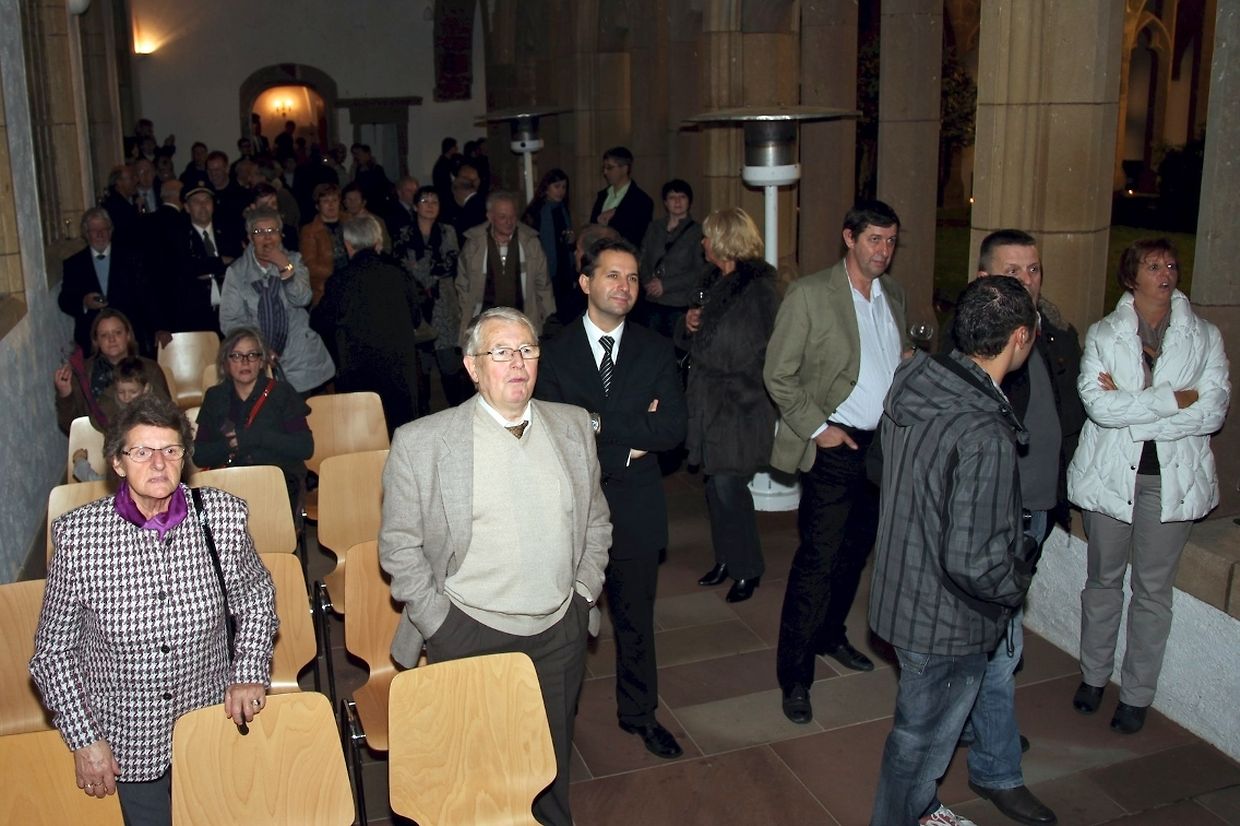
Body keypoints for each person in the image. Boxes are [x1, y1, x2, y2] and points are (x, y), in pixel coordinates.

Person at [379, 307, 611, 826]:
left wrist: (583, 593)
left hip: (559, 629)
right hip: (468, 629)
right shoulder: (423, 442)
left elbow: (596, 521)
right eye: (501, 352)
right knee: (476, 776)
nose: (517, 364)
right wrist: (439, 623)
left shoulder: (573, 426)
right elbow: (398, 547)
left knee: (549, 768)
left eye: (527, 350)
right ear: (472, 366)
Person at [30, 395, 278, 826]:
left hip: (207, 719)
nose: (159, 463)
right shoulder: (79, 537)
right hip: (124, 737)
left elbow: (256, 597)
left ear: (185, 457)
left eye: (171, 450)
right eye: (142, 452)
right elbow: (53, 654)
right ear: (118, 462)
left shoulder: (222, 517)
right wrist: (84, 737)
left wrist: (249, 670)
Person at [869, 275, 1042, 826]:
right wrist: (1016, 580)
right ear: (1020, 337)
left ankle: (922, 807)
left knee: (918, 733)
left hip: (901, 586)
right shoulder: (984, 432)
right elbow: (974, 560)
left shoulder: (915, 377)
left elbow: (885, 472)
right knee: (919, 742)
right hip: (946, 618)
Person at [1067, 238, 1230, 734]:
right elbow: (1099, 407)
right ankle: (1094, 675)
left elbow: (1212, 412)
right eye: (1154, 265)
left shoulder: (1205, 337)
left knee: (1153, 591)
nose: (1166, 273)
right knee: (1103, 580)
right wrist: (1174, 399)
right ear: (1131, 276)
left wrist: (1134, 406)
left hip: (1171, 481)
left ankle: (1137, 694)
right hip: (1111, 477)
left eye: (1172, 265)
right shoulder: (1103, 334)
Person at [536, 238, 688, 760]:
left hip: (635, 508)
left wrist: (595, 423)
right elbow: (552, 431)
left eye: (632, 278)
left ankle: (639, 713)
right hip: (570, 509)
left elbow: (671, 429)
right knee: (560, 625)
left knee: (635, 620)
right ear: (585, 282)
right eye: (612, 275)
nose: (625, 286)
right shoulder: (553, 351)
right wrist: (629, 438)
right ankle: (549, 720)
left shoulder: (656, 348)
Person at [764, 199, 908, 724]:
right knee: (818, 560)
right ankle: (795, 675)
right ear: (849, 238)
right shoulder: (810, 295)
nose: (883, 251)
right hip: (834, 446)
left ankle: (830, 635)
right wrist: (819, 429)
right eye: (874, 239)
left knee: (855, 554)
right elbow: (778, 374)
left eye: (890, 241)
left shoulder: (893, 295)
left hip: (882, 449)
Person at [955, 229, 1081, 826]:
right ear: (984, 278)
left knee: (995, 642)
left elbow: (1068, 414)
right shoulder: (978, 344)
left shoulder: (1053, 333)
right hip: (998, 514)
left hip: (1039, 505)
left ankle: (979, 723)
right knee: (1002, 649)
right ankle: (996, 770)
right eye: (1014, 270)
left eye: (1034, 269)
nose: (1027, 280)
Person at [676, 207, 779, 603]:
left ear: (723, 241)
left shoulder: (759, 289)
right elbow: (693, 338)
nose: (702, 242)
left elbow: (761, 349)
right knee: (714, 486)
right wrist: (688, 325)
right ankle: (725, 558)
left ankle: (748, 568)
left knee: (729, 486)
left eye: (707, 236)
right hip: (709, 402)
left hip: (740, 404)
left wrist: (710, 350)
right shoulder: (712, 280)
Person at [314, 214, 423, 431]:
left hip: (358, 375)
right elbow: (417, 318)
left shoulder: (340, 281)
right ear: (377, 241)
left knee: (365, 440)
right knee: (400, 436)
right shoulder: (398, 275)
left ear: (347, 244)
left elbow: (319, 321)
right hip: (399, 373)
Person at [194, 327, 314, 521]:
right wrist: (230, 445)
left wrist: (255, 437)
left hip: (278, 481)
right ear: (226, 362)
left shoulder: (282, 393)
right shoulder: (215, 397)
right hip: (230, 482)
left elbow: (305, 447)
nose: (245, 362)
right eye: (236, 356)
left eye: (252, 355)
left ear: (261, 361)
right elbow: (199, 455)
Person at [219, 206, 335, 396]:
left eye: (272, 230)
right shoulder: (237, 272)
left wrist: (285, 267)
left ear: (281, 235)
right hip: (257, 359)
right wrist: (258, 347)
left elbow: (303, 298)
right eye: (259, 232)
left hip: (299, 356)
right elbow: (230, 321)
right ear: (250, 238)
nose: (267, 237)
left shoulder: (294, 260)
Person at [395, 185, 468, 410]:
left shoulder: (447, 231)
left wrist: (419, 267)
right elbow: (400, 266)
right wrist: (424, 270)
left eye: (434, 202)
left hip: (443, 303)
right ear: (415, 206)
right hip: (415, 305)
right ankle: (423, 412)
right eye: (425, 201)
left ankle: (459, 408)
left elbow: (449, 263)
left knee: (449, 363)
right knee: (421, 365)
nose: (430, 206)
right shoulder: (404, 233)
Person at [456, 190, 555, 345]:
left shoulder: (530, 243)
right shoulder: (474, 244)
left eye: (512, 216)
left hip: (522, 319)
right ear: (490, 217)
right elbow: (463, 286)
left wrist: (549, 320)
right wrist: (466, 316)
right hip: (483, 321)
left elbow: (543, 286)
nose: (509, 222)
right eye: (503, 217)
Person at [55, 308, 171, 434]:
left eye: (117, 333)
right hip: (97, 439)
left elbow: (166, 414)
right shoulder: (84, 373)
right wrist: (65, 395)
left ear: (128, 336)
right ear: (96, 341)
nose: (111, 339)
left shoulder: (149, 368)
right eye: (104, 335)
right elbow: (71, 426)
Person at [59, 207, 151, 355]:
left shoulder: (131, 258)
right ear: (86, 234)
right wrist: (84, 303)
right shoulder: (74, 264)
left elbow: (147, 296)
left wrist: (158, 328)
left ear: (111, 231)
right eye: (94, 230)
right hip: (92, 341)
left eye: (104, 229)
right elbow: (64, 301)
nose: (100, 234)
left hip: (128, 338)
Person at [639, 179, 711, 342]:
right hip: (653, 300)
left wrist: (666, 285)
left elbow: (700, 270)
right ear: (665, 202)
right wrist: (648, 282)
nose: (677, 202)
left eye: (682, 197)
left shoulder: (698, 232)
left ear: (689, 201)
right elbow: (643, 258)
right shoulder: (654, 227)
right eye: (672, 197)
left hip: (679, 302)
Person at [71, 357, 153, 482]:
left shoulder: (155, 413)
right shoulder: (110, 414)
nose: (127, 397)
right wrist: (80, 461)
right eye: (121, 392)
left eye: (133, 392)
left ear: (145, 389)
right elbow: (94, 480)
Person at [177, 180, 242, 333]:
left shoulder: (230, 232)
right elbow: (187, 268)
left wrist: (208, 266)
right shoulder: (179, 236)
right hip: (196, 316)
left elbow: (239, 262)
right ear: (187, 207)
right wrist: (221, 262)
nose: (203, 205)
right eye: (196, 201)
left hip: (232, 311)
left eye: (207, 200)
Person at [523, 169, 578, 322]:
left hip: (563, 268)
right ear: (546, 188)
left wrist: (571, 240)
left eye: (564, 187)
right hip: (544, 268)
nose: (561, 191)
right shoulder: (536, 211)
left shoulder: (562, 209)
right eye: (557, 186)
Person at [588, 146, 654, 247]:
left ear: (624, 168)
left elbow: (637, 237)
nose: (605, 172)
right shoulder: (602, 195)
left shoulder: (641, 201)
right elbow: (591, 227)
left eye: (609, 168)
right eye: (604, 168)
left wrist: (608, 230)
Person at [298, 182, 347, 305]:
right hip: (325, 288)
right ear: (317, 206)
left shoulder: (351, 223)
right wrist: (337, 274)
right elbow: (309, 264)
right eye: (325, 201)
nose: (331, 205)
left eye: (334, 200)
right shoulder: (309, 231)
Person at [341, 182, 391, 252]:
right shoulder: (340, 220)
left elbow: (387, 247)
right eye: (349, 199)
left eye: (356, 199)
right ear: (344, 202)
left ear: (364, 202)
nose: (352, 203)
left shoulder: (376, 221)